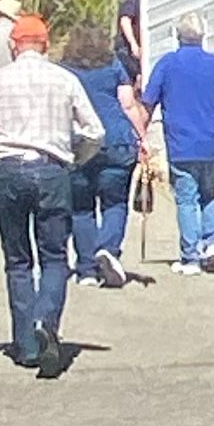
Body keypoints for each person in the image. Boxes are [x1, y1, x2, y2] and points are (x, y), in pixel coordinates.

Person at [0, 11, 101, 376]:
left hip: (7, 170)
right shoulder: (64, 80)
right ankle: (46, 322)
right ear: (45, 43)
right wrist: (74, 159)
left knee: (18, 260)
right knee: (55, 255)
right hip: (51, 167)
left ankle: (25, 345)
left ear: (13, 45)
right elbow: (95, 131)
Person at [138, 11, 214, 274]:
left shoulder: (167, 65)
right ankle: (213, 246)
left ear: (177, 36)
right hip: (212, 145)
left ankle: (190, 257)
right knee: (210, 195)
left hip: (181, 145)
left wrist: (141, 137)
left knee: (186, 199)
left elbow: (147, 104)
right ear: (203, 36)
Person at [62, 25, 148, 288]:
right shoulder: (114, 66)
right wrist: (143, 138)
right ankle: (108, 249)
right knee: (115, 202)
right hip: (116, 141)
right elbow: (128, 104)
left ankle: (87, 269)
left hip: (79, 144)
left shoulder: (64, 71)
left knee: (81, 207)